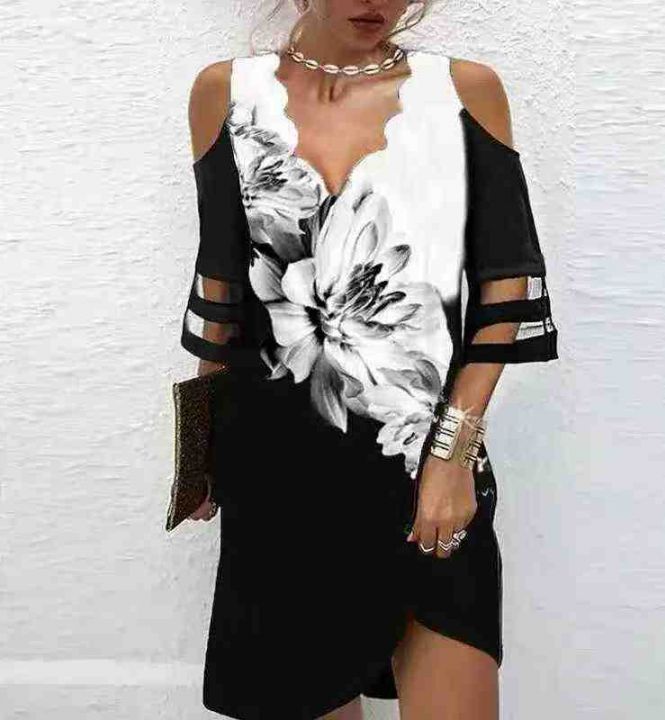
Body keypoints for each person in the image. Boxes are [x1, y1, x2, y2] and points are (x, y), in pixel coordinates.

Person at [179, 1, 558, 718]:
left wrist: (453, 453)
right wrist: (197, 448)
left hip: (421, 462)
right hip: (276, 470)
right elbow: (223, 289)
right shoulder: (224, 93)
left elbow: (505, 287)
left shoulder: (462, 92)